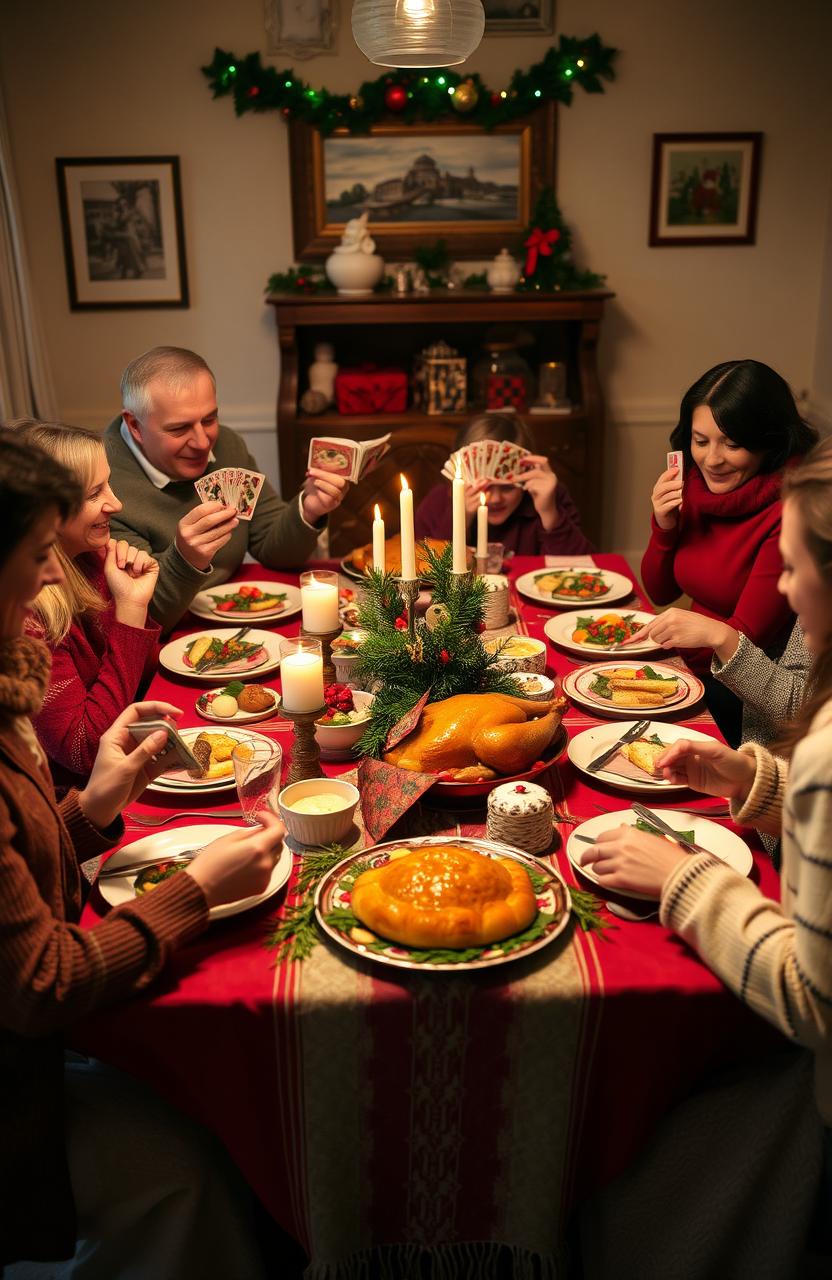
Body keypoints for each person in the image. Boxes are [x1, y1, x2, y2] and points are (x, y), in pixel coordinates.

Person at [0, 427, 286, 1275]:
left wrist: (92, 808)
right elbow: (42, 986)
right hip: (22, 1105)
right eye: (35, 554)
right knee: (211, 1140)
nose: (54, 575)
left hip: (43, 1056)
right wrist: (193, 889)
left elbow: (22, 858)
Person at [581, 436, 832, 1261]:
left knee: (605, 1142)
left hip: (808, 1089)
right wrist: (753, 780)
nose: (784, 589)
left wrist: (684, 879)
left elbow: (811, 1003)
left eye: (793, 569)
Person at [104, 346, 349, 631]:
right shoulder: (102, 485)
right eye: (179, 429)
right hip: (165, 640)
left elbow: (272, 546)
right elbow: (143, 618)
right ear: (134, 425)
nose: (202, 442)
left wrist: (308, 510)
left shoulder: (228, 445)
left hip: (233, 616)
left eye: (209, 419)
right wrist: (186, 558)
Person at [639, 359, 817, 743]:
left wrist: (665, 679)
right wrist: (663, 526)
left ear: (768, 442)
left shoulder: (792, 511)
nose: (712, 459)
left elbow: (743, 642)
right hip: (690, 662)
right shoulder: (692, 483)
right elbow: (660, 592)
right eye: (700, 440)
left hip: (742, 690)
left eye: (732, 444)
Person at [12, 421, 160, 792]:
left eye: (108, 484)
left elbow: (147, 674)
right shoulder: (25, 619)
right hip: (76, 801)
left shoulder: (90, 561)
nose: (117, 503)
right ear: (48, 513)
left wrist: (134, 603)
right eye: (95, 493)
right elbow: (85, 751)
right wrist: (129, 613)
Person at [414, 412, 594, 556]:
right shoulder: (437, 502)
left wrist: (549, 513)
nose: (496, 498)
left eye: (508, 486)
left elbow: (581, 570)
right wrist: (459, 520)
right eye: (483, 486)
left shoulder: (550, 498)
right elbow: (422, 572)